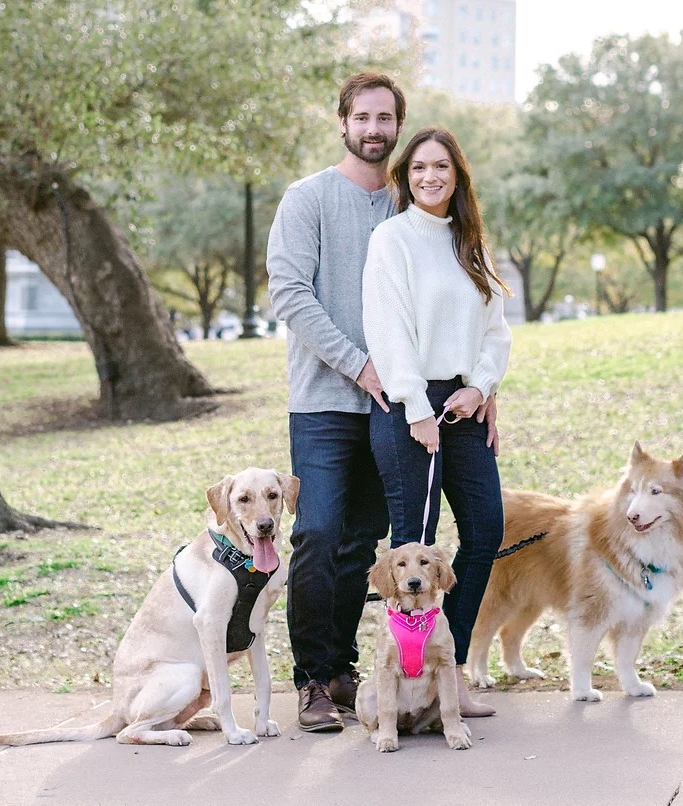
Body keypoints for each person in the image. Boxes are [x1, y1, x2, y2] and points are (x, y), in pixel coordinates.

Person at [265, 72, 406, 732]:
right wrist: (359, 365)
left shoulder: (412, 202)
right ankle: (311, 680)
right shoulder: (308, 199)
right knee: (317, 534)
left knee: (360, 543)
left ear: (398, 126)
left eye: (385, 118)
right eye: (363, 117)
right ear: (343, 123)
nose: (374, 129)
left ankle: (341, 669)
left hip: (393, 406)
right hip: (322, 402)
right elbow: (290, 294)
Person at [362, 126, 512, 718]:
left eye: (441, 167)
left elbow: (495, 330)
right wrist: (416, 407)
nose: (431, 176)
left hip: (464, 406)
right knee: (412, 557)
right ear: (406, 176)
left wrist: (481, 385)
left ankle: (450, 674)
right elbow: (387, 327)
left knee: (484, 529)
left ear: (457, 177)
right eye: (420, 167)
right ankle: (402, 691)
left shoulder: (469, 243)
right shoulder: (392, 239)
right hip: (411, 409)